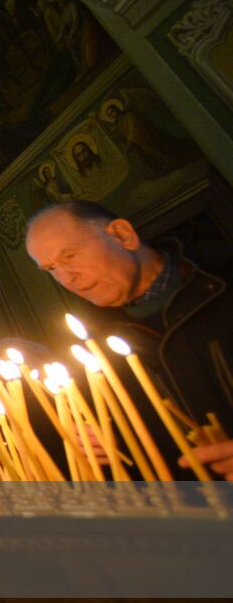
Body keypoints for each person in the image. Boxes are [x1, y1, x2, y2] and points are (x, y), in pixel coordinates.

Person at [24, 201, 233, 478]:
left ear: (123, 235)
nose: (66, 278)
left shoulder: (222, 287)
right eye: (51, 268)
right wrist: (101, 441)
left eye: (70, 256)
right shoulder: (89, 346)